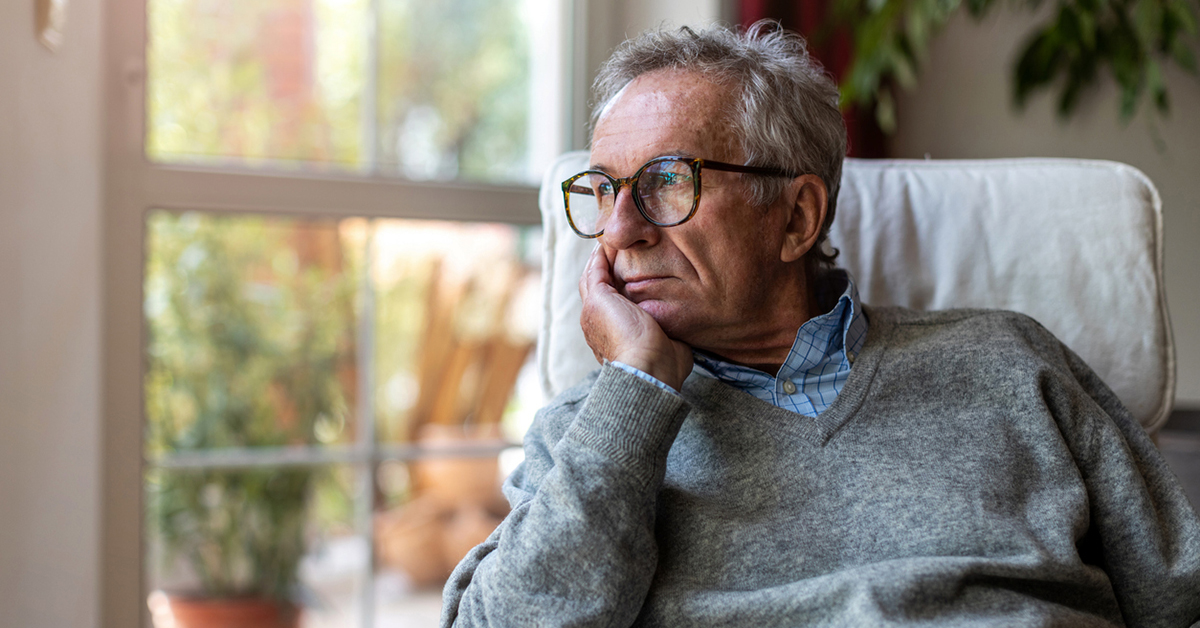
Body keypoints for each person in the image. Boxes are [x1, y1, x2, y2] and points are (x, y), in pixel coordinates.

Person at [441, 21, 1200, 627]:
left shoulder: (1011, 361)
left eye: (667, 182)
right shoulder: (594, 434)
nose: (619, 231)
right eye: (604, 192)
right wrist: (634, 391)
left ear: (797, 216)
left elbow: (1181, 598)